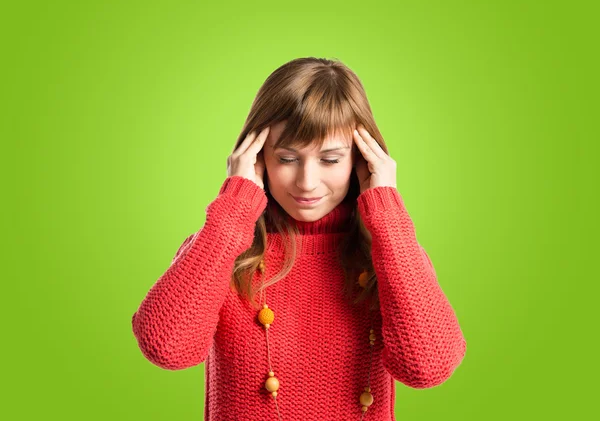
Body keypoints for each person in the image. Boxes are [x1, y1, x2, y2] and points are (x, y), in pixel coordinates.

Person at [131, 57, 467, 420]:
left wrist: (388, 216)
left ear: (362, 160)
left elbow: (428, 368)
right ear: (256, 157)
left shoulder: (392, 253)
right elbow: (166, 349)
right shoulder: (221, 246)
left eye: (330, 159)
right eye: (288, 158)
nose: (307, 182)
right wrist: (234, 204)